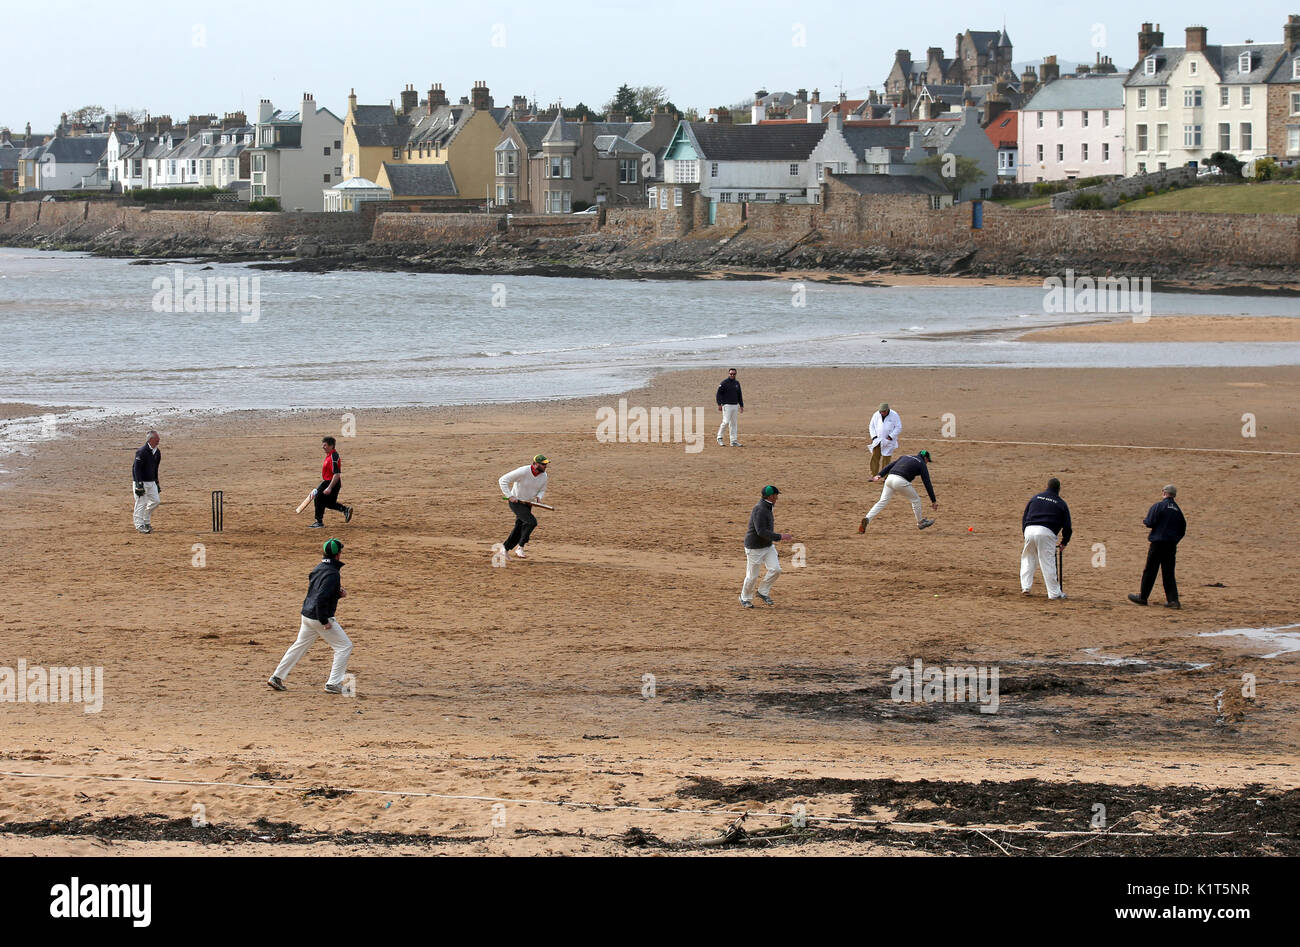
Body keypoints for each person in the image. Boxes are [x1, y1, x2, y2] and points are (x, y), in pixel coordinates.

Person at [267, 538, 354, 694]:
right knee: (344, 646)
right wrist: (324, 620)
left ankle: (277, 676)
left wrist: (336, 594)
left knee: (299, 646)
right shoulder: (333, 573)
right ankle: (333, 683)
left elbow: (316, 591)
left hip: (306, 615)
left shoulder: (319, 567)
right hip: (318, 617)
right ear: (338, 555)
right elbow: (320, 598)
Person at [1128, 484, 1186, 609]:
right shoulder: (1178, 510)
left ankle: (1143, 597)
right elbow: (1182, 530)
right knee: (1168, 572)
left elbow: (1150, 522)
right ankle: (1173, 600)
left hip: (1158, 543)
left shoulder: (1159, 506)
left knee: (1150, 570)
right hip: (1171, 545)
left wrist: (1146, 522)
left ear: (1164, 493)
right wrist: (1174, 541)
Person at [741, 485, 794, 608]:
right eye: (776, 495)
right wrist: (780, 536)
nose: (777, 498)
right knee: (752, 576)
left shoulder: (767, 507)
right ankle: (745, 598)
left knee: (776, 569)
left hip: (767, 546)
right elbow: (761, 531)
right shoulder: (760, 509)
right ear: (771, 496)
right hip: (754, 548)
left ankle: (762, 592)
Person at [860, 449, 937, 532]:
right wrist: (933, 500)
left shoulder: (905, 456)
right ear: (925, 458)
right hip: (900, 481)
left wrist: (879, 475)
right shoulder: (922, 464)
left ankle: (867, 518)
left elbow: (889, 466)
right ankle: (920, 522)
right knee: (916, 500)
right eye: (928, 461)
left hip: (889, 479)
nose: (927, 463)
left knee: (882, 501)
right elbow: (927, 482)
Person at [1021, 478, 1072, 600]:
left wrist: (1025, 533)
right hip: (1046, 532)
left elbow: (1024, 517)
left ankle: (1026, 587)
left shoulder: (1035, 498)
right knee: (1048, 563)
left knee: (1028, 558)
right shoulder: (1061, 503)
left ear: (1047, 486)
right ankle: (1054, 593)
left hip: (1029, 529)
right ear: (1059, 489)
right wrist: (1064, 542)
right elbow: (1067, 526)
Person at [499, 454, 549, 560]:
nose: (545, 466)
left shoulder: (544, 476)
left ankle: (505, 548)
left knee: (519, 527)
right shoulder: (523, 471)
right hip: (516, 502)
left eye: (546, 464)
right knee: (531, 522)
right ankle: (520, 546)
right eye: (543, 464)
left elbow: (542, 489)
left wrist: (539, 497)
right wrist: (510, 496)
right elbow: (503, 480)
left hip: (528, 504)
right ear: (535, 464)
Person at [311, 436, 352, 529]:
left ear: (331, 446)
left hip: (331, 482)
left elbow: (336, 474)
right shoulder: (330, 455)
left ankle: (319, 521)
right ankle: (345, 510)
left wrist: (329, 487)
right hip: (329, 481)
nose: (323, 447)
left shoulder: (334, 456)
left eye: (325, 445)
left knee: (318, 499)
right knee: (329, 503)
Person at [131, 430, 162, 534]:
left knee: (156, 501)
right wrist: (139, 484)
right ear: (151, 439)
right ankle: (139, 525)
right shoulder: (141, 451)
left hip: (151, 481)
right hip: (141, 482)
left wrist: (157, 482)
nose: (159, 440)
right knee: (141, 503)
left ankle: (146, 520)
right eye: (157, 439)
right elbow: (136, 468)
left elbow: (155, 468)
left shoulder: (157, 452)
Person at [868, 403, 901, 477]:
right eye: (881, 412)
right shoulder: (876, 415)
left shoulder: (894, 415)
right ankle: (874, 475)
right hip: (877, 440)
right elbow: (871, 426)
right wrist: (874, 437)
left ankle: (885, 476)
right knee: (875, 457)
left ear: (887, 410)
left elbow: (898, 427)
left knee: (886, 459)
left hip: (888, 441)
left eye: (884, 412)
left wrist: (890, 436)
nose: (882, 413)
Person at [716, 368, 744, 447]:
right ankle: (719, 437)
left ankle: (733, 441)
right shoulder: (724, 383)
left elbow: (739, 395)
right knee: (726, 422)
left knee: (734, 423)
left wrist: (741, 405)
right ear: (728, 374)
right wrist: (719, 404)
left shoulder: (737, 383)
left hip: (735, 405)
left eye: (734, 374)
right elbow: (718, 394)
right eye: (731, 374)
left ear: (736, 374)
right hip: (726, 405)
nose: (732, 375)